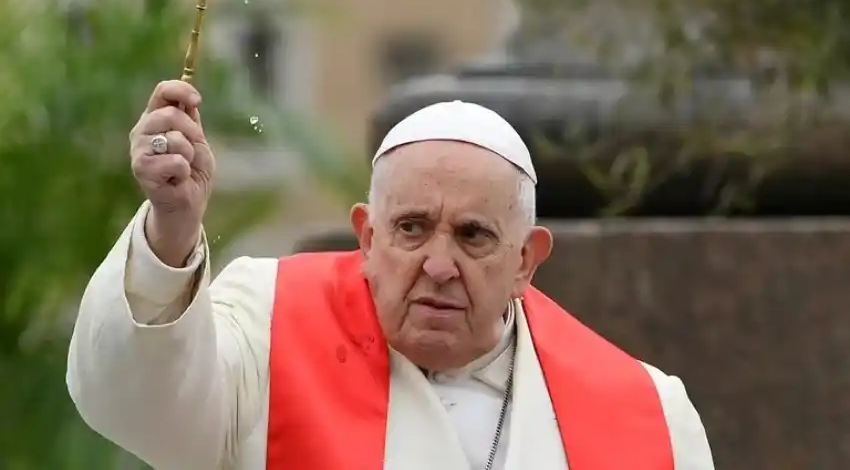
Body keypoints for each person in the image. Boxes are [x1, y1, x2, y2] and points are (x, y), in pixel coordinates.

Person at [67, 80, 715, 470]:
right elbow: (137, 403)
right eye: (410, 228)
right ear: (367, 236)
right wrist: (172, 230)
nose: (438, 266)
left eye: (472, 235)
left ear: (526, 260)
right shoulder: (265, 326)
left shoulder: (647, 415)